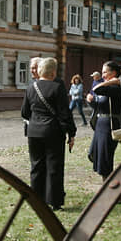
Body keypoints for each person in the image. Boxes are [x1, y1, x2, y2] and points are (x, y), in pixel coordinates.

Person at [21, 57, 76, 211]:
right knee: (54, 167)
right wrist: (71, 133)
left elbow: (24, 113)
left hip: (34, 132)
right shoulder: (57, 88)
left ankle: (36, 200)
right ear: (53, 72)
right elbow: (65, 114)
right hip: (53, 132)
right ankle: (55, 201)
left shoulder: (31, 88)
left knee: (36, 166)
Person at [86, 61, 121, 179]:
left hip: (109, 125)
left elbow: (96, 89)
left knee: (105, 159)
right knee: (93, 154)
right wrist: (91, 101)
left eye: (104, 72)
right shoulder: (108, 87)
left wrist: (112, 81)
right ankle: (106, 183)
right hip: (100, 124)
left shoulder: (114, 88)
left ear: (113, 73)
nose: (102, 76)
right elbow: (99, 106)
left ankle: (108, 187)